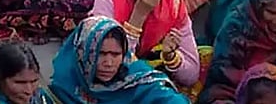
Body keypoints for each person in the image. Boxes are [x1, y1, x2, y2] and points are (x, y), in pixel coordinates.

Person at [91, 0, 202, 89]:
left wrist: (170, 57)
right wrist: (139, 15)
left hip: (149, 72)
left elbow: (191, 75)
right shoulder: (108, 1)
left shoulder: (175, 5)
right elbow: (110, 66)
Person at [50, 16, 189, 104]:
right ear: (83, 52)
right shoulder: (64, 85)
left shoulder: (136, 79)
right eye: (101, 54)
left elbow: (169, 98)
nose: (109, 63)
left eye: (115, 55)